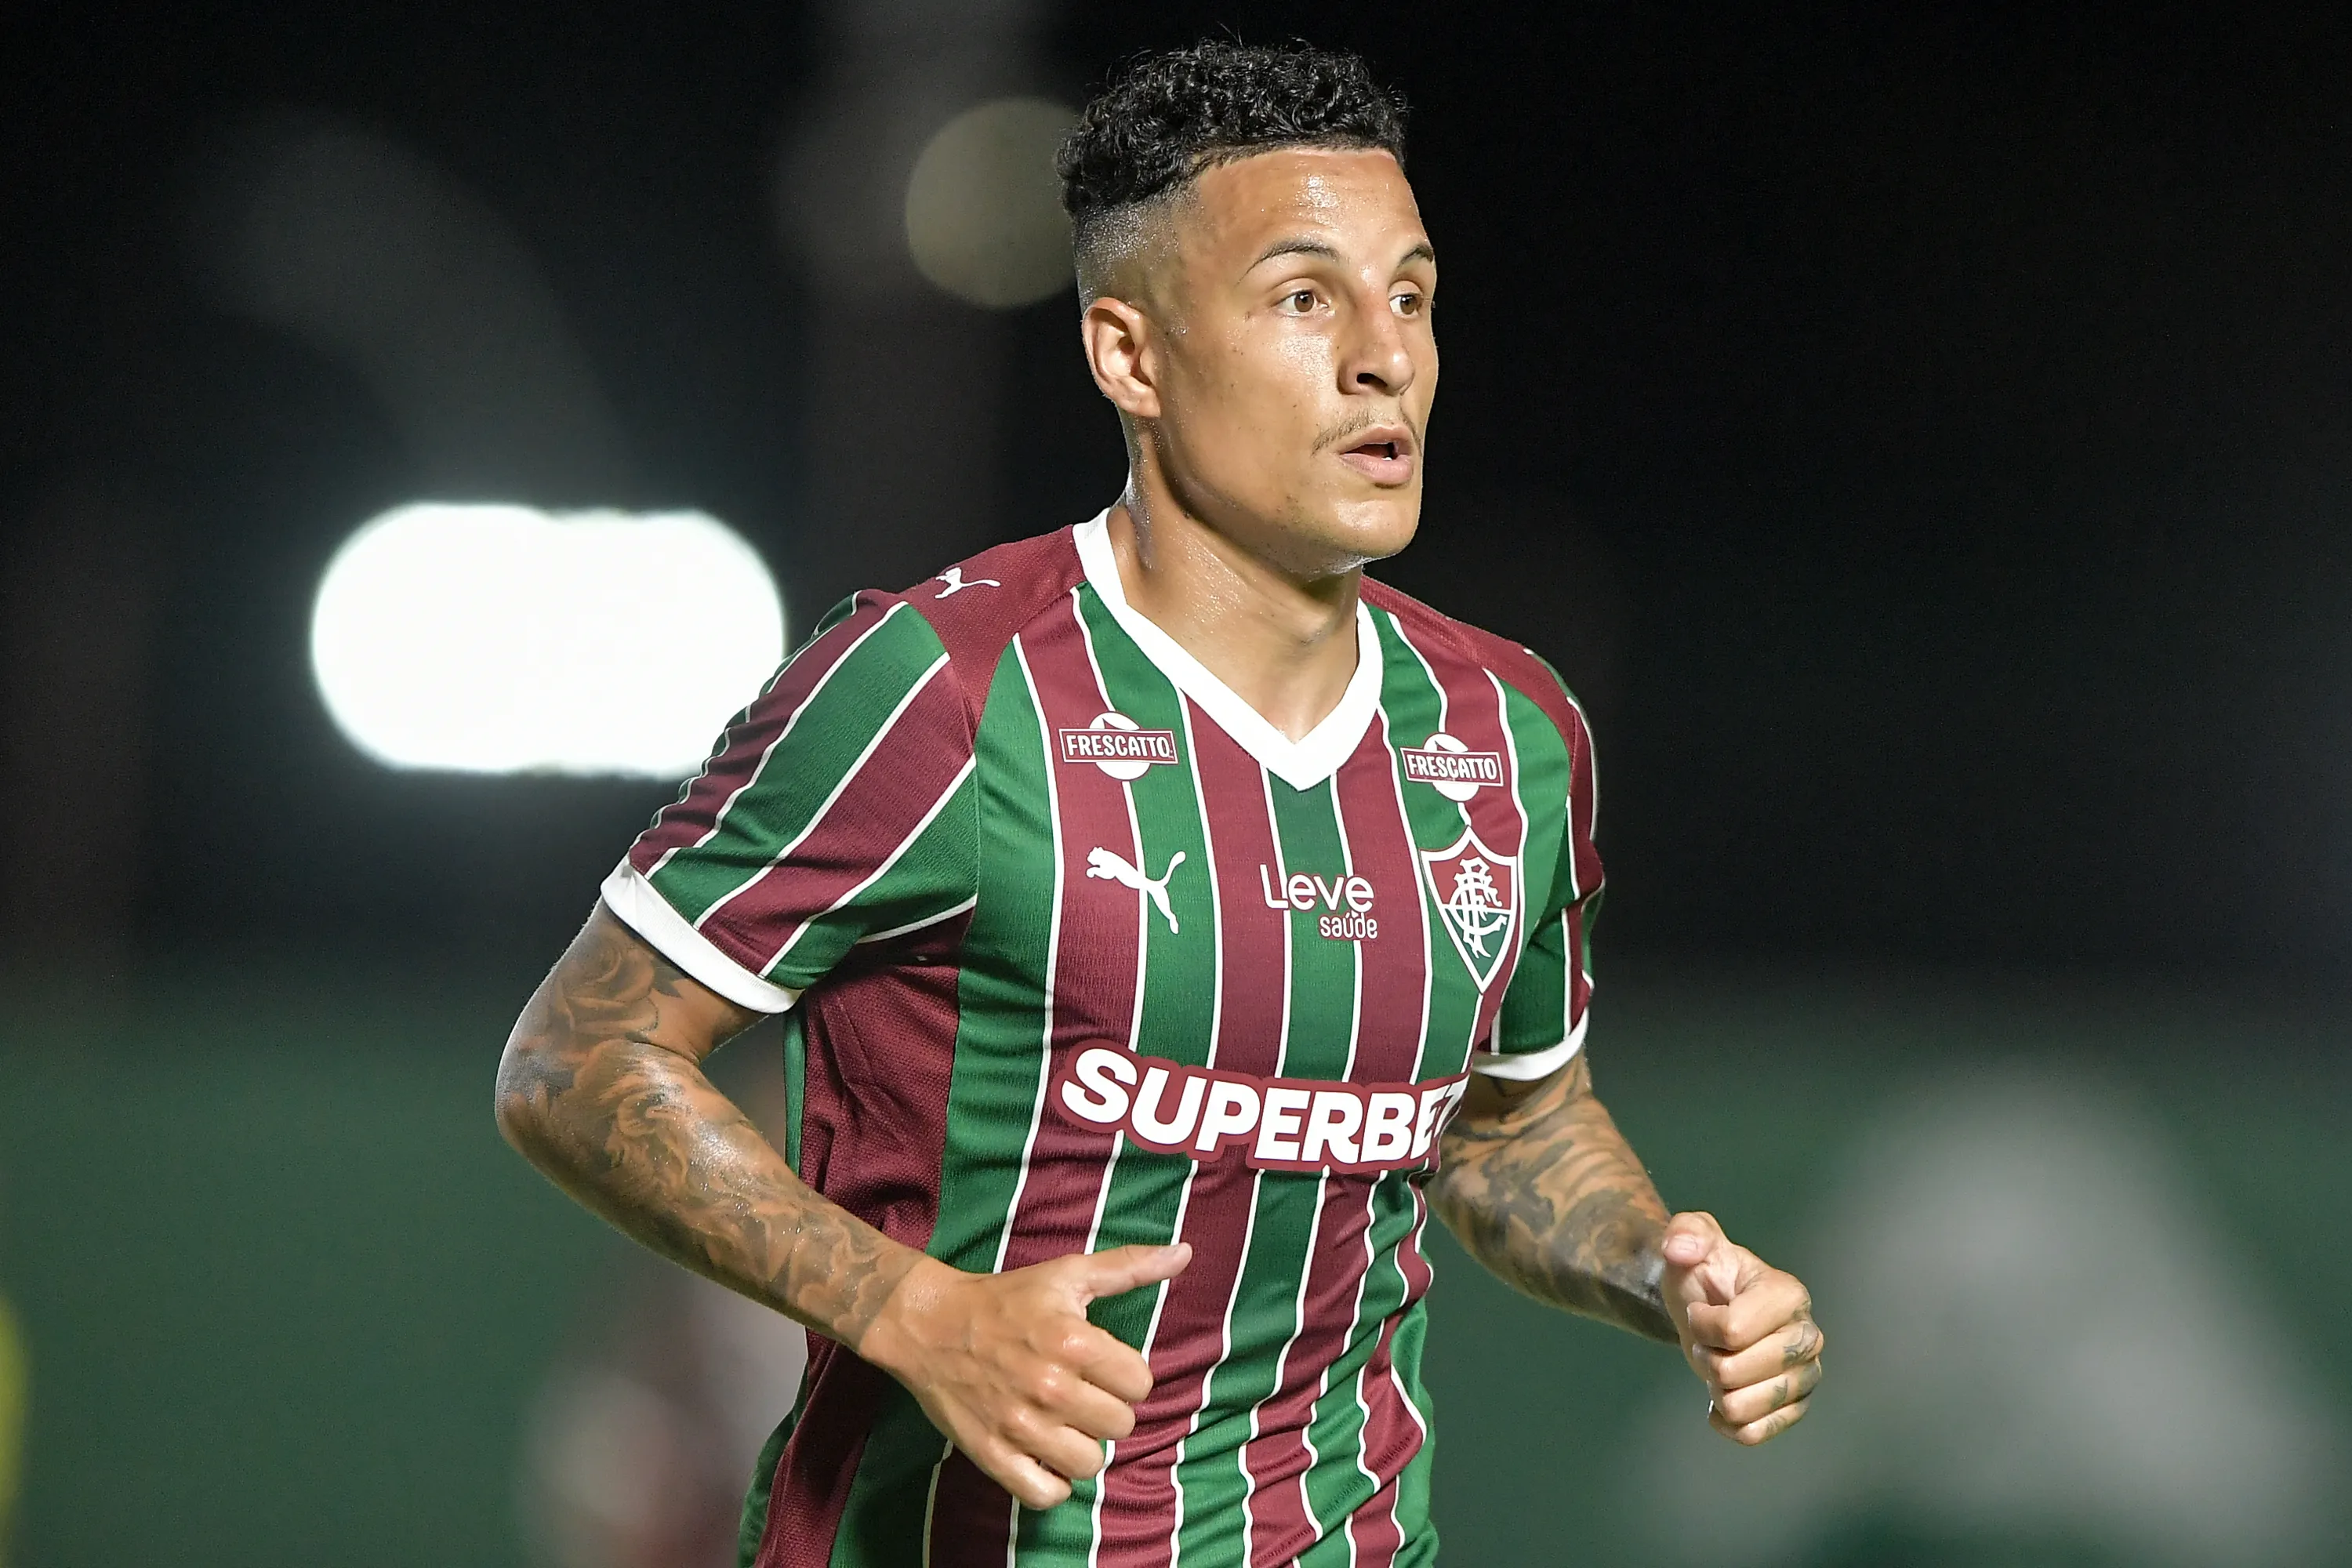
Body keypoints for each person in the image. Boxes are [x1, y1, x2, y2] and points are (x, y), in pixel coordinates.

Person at [496, 40, 1823, 1568]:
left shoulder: (1506, 733)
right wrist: (914, 1310)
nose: (1385, 356)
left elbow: (1511, 1126)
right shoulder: (937, 686)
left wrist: (1660, 1269)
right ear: (1130, 354)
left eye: (1411, 294)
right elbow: (574, 1057)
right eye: (1305, 298)